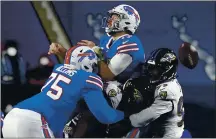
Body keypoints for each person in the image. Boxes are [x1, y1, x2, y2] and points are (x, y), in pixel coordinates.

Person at [2, 46, 125, 138]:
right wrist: (126, 114)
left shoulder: (59, 69)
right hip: (34, 122)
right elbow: (105, 116)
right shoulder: (89, 79)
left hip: (12, 118)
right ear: (88, 63)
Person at [48, 4, 145, 109]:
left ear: (127, 21)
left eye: (114, 17)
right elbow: (92, 65)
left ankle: (115, 121)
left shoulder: (130, 43)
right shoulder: (106, 40)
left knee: (109, 88)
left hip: (130, 93)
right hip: (111, 86)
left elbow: (108, 74)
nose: (109, 20)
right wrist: (63, 52)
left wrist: (96, 51)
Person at [124, 48, 185, 138]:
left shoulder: (168, 90)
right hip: (159, 129)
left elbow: (145, 117)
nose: (151, 72)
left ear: (167, 70)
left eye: (155, 69)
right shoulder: (168, 83)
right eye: (150, 68)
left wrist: (126, 120)